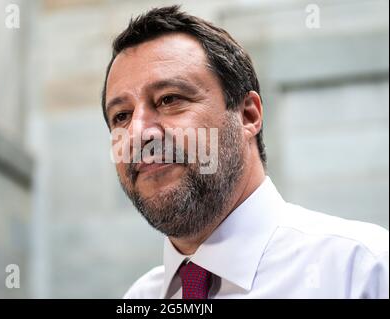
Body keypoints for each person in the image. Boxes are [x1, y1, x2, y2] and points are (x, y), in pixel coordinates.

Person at [101, 5, 389, 299]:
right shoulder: (140, 297)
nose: (138, 133)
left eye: (169, 99)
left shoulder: (363, 271)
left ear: (248, 116)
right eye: (121, 116)